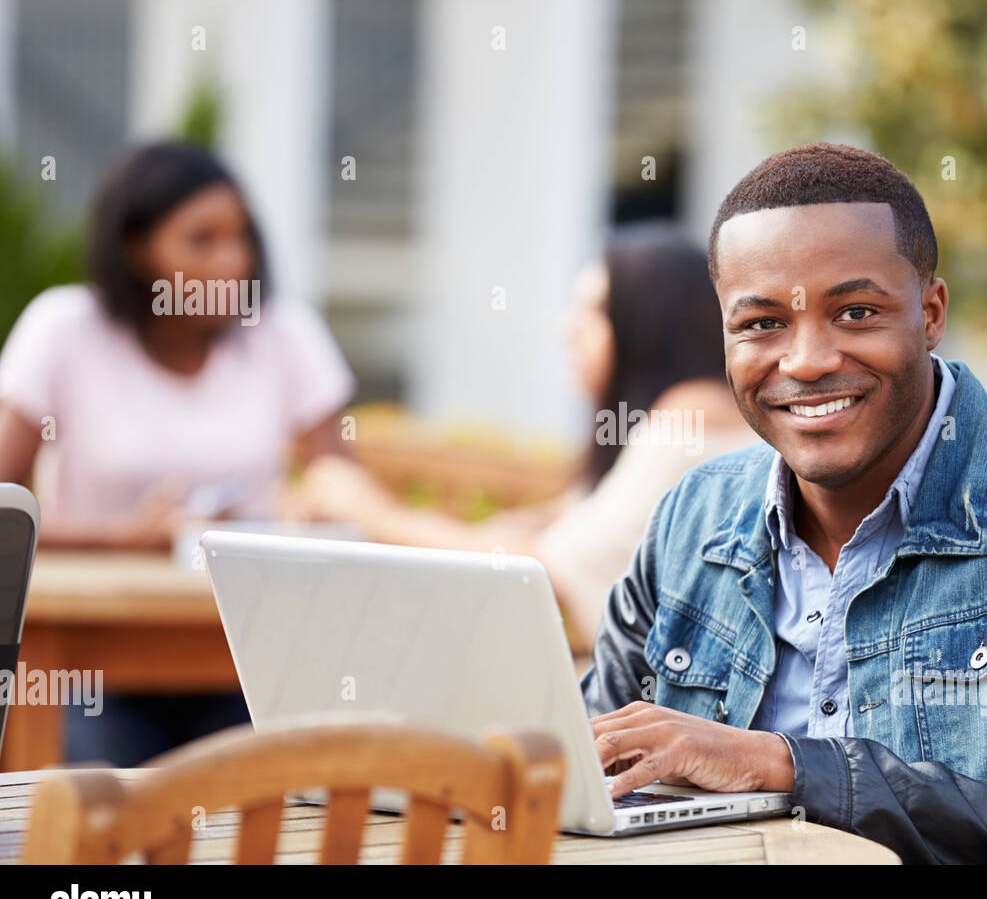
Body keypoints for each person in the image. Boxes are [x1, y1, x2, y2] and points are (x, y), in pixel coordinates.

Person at [581, 143, 987, 864]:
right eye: (761, 324)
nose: (806, 361)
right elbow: (593, 760)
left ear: (930, 313)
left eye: (856, 311)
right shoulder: (695, 513)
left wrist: (787, 767)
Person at [0, 141, 356, 764]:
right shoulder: (63, 329)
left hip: (244, 649)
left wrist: (311, 512)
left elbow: (347, 493)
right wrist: (122, 536)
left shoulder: (284, 332)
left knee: (281, 777)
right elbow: (6, 515)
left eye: (241, 236)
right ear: (137, 250)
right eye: (202, 240)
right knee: (98, 788)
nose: (233, 259)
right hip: (96, 662)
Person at [286, 224, 758, 651]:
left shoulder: (689, 418)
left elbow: (542, 567)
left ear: (651, 322)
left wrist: (373, 512)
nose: (568, 327)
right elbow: (546, 534)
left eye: (595, 309)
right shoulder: (694, 415)